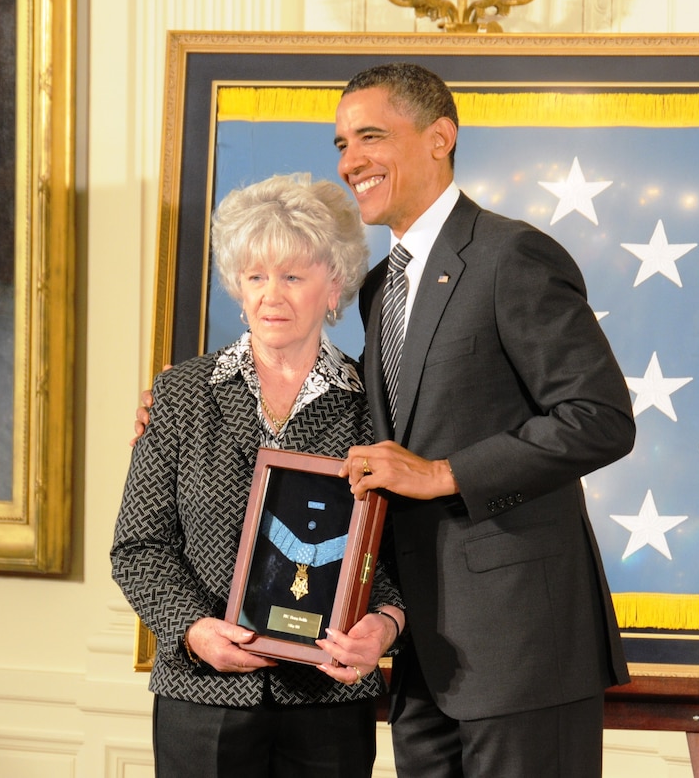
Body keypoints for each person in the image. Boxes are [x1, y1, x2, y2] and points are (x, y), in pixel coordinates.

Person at [333, 63, 636, 777]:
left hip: (524, 650)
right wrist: (197, 395)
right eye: (341, 144)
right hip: (423, 659)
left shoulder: (512, 256)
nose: (351, 162)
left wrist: (443, 474)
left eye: (370, 137)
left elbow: (599, 418)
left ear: (441, 137)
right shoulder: (381, 285)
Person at [112, 172, 405, 778]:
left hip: (331, 699)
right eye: (256, 276)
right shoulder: (180, 395)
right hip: (203, 697)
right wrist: (194, 630)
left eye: (293, 275)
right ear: (237, 288)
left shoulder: (377, 407)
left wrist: (383, 626)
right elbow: (138, 549)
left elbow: (402, 556)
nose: (272, 296)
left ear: (335, 285)